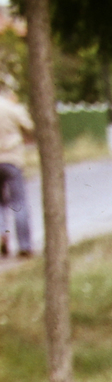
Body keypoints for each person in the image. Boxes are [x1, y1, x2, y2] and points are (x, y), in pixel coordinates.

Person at [0, 77, 36, 258]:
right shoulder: (11, 108)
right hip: (12, 159)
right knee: (18, 203)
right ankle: (24, 245)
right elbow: (29, 126)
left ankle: (2, 235)